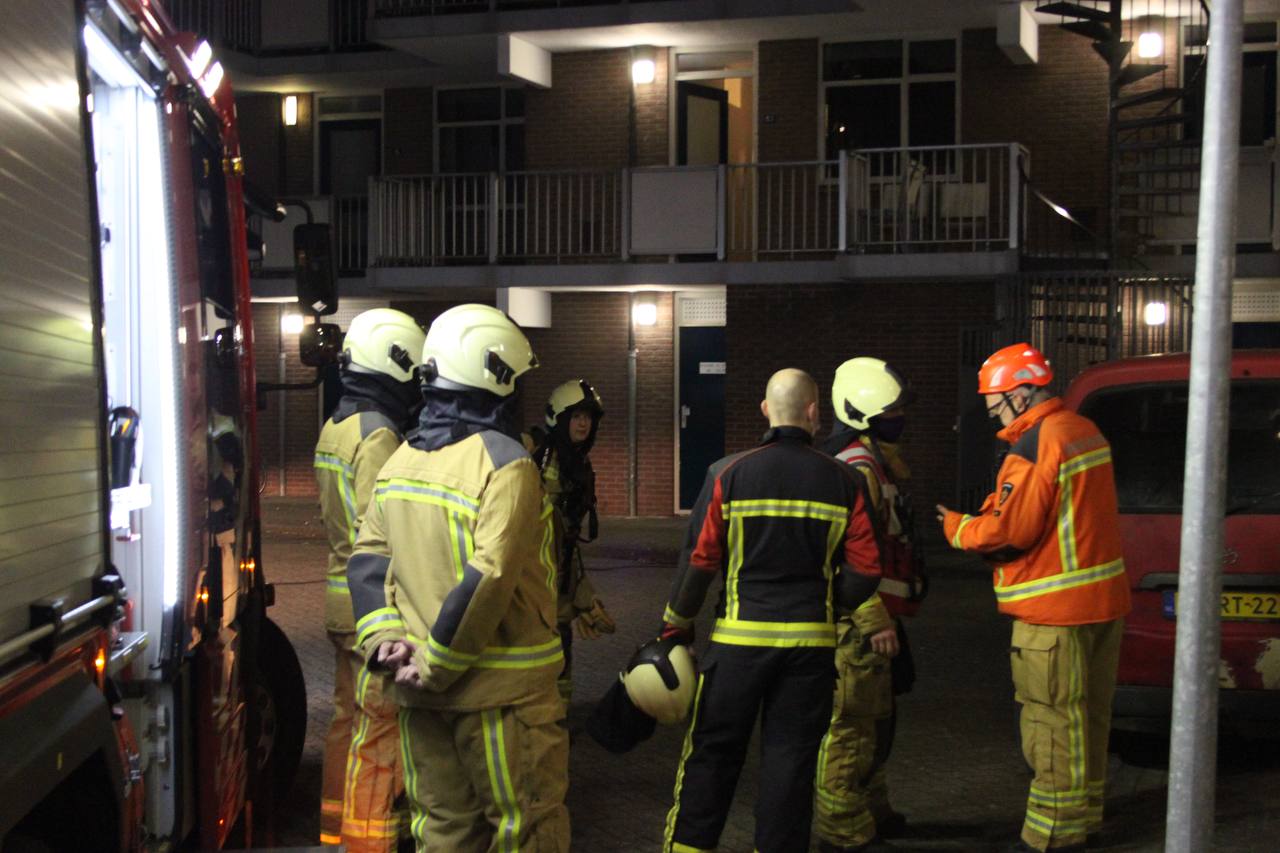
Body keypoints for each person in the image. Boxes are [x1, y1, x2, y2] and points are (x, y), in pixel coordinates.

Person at [347, 304, 569, 853]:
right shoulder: (508, 465)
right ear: (495, 378)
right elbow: (488, 576)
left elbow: (368, 559)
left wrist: (384, 642)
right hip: (500, 696)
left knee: (442, 831)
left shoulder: (400, 460)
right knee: (528, 828)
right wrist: (438, 665)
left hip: (417, 695)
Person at [660, 368, 885, 853]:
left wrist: (676, 625)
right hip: (810, 652)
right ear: (813, 413)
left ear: (765, 410)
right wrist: (829, 602)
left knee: (712, 757)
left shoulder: (727, 473)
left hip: (738, 647)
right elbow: (867, 571)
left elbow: (699, 560)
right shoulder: (844, 479)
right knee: (790, 766)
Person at [936, 343, 1131, 853]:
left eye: (997, 405)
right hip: (1102, 605)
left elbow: (1008, 531)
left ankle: (1051, 836)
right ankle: (1082, 815)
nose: (995, 416)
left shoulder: (1035, 446)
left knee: (1049, 724)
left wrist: (957, 528)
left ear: (1022, 394)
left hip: (1053, 616)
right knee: (1088, 717)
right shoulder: (1084, 431)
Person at [315, 308, 425, 852]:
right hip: (371, 609)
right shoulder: (378, 435)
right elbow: (381, 531)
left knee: (347, 722)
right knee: (379, 733)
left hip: (339, 602)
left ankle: (335, 828)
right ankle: (369, 843)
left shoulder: (336, 424)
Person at [814, 357, 926, 853]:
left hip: (881, 620)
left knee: (877, 721)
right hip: (861, 623)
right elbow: (843, 557)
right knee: (852, 729)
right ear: (862, 415)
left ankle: (871, 808)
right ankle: (841, 829)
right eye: (891, 410)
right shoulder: (857, 470)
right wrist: (874, 617)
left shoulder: (873, 460)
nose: (899, 417)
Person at [525, 379, 616, 703]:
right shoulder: (534, 455)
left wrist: (582, 594)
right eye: (576, 416)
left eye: (588, 418)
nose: (583, 423)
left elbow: (568, 538)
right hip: (528, 576)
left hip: (558, 574)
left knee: (562, 640)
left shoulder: (579, 465)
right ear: (559, 418)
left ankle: (558, 717)